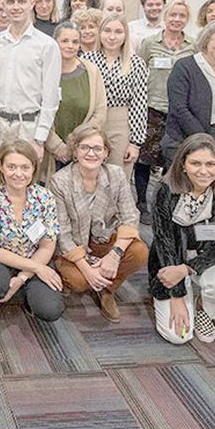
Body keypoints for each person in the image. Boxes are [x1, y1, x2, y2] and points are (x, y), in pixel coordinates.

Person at [148, 133, 215, 344]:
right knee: (178, 336)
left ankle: (204, 307)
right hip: (169, 261)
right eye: (195, 163)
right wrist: (177, 296)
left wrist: (186, 269)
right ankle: (186, 293)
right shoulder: (165, 191)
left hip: (208, 259)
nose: (203, 171)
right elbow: (164, 242)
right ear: (182, 165)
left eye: (211, 164)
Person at [47, 125, 147, 322]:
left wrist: (115, 255)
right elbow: (63, 234)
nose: (91, 153)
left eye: (97, 148)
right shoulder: (60, 181)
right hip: (75, 246)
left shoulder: (116, 175)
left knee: (140, 251)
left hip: (105, 240)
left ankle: (108, 290)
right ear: (75, 151)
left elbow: (130, 217)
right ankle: (92, 279)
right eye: (84, 148)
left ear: (106, 153)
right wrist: (87, 270)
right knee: (79, 281)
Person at [0, 141, 65, 330]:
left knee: (50, 310)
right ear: (1, 167)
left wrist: (22, 278)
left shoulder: (44, 197)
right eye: (11, 167)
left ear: (34, 168)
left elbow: (47, 246)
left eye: (25, 167)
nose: (18, 174)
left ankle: (23, 288)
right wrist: (37, 269)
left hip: (35, 257)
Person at [0, 0, 61, 179]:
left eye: (21, 1)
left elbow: (50, 98)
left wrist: (40, 138)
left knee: (25, 185)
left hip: (28, 127)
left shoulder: (47, 45)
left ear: (32, 3)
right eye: (10, 2)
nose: (16, 7)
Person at [162, 19, 215, 172]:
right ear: (207, 39)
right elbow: (179, 109)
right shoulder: (184, 67)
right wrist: (207, 143)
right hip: (186, 138)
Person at [135, 0, 195, 213]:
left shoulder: (193, 46)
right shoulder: (150, 43)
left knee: (173, 158)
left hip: (180, 111)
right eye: (173, 15)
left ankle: (166, 204)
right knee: (144, 158)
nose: (176, 20)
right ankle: (142, 203)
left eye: (181, 16)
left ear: (187, 19)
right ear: (165, 16)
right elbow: (139, 72)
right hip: (151, 108)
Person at [82, 11, 148, 177]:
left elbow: (139, 105)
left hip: (121, 122)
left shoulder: (136, 64)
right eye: (107, 31)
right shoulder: (86, 60)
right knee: (90, 173)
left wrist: (135, 143)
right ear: (100, 33)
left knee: (118, 176)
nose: (112, 37)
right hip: (91, 121)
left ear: (125, 35)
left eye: (118, 32)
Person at [46, 21, 108, 173]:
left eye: (75, 42)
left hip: (84, 150)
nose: (70, 46)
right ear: (55, 43)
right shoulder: (44, 71)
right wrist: (57, 146)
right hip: (50, 151)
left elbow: (100, 111)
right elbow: (36, 111)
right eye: (64, 41)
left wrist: (78, 145)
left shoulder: (91, 72)